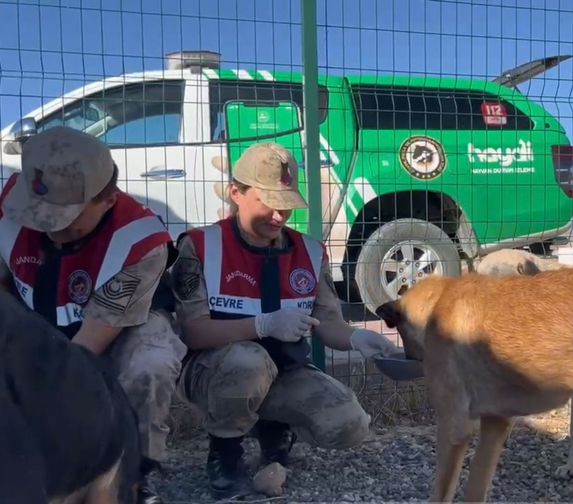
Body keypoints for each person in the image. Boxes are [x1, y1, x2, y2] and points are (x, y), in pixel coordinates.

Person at [169, 142, 398, 495]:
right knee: (249, 361)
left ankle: (273, 430)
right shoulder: (201, 246)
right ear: (236, 193)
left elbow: (329, 323)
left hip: (283, 371)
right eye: (268, 203)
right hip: (211, 373)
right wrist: (261, 325)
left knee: (349, 423)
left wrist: (358, 339)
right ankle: (225, 453)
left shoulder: (309, 251)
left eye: (286, 205)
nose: (279, 216)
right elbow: (193, 333)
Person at [0, 126, 187, 503]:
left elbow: (86, 349)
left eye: (66, 219)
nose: (50, 230)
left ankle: (134, 473)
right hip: (36, 319)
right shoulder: (8, 205)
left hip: (108, 332)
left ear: (107, 200)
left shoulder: (141, 243)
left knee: (150, 362)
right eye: (40, 215)